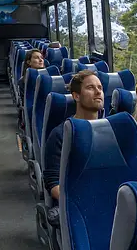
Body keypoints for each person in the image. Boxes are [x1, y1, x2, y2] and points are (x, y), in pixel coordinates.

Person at [43, 70, 103, 202]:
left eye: (100, 88)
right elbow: (53, 182)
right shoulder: (61, 134)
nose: (98, 92)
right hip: (76, 203)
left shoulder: (112, 132)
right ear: (76, 96)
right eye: (90, 87)